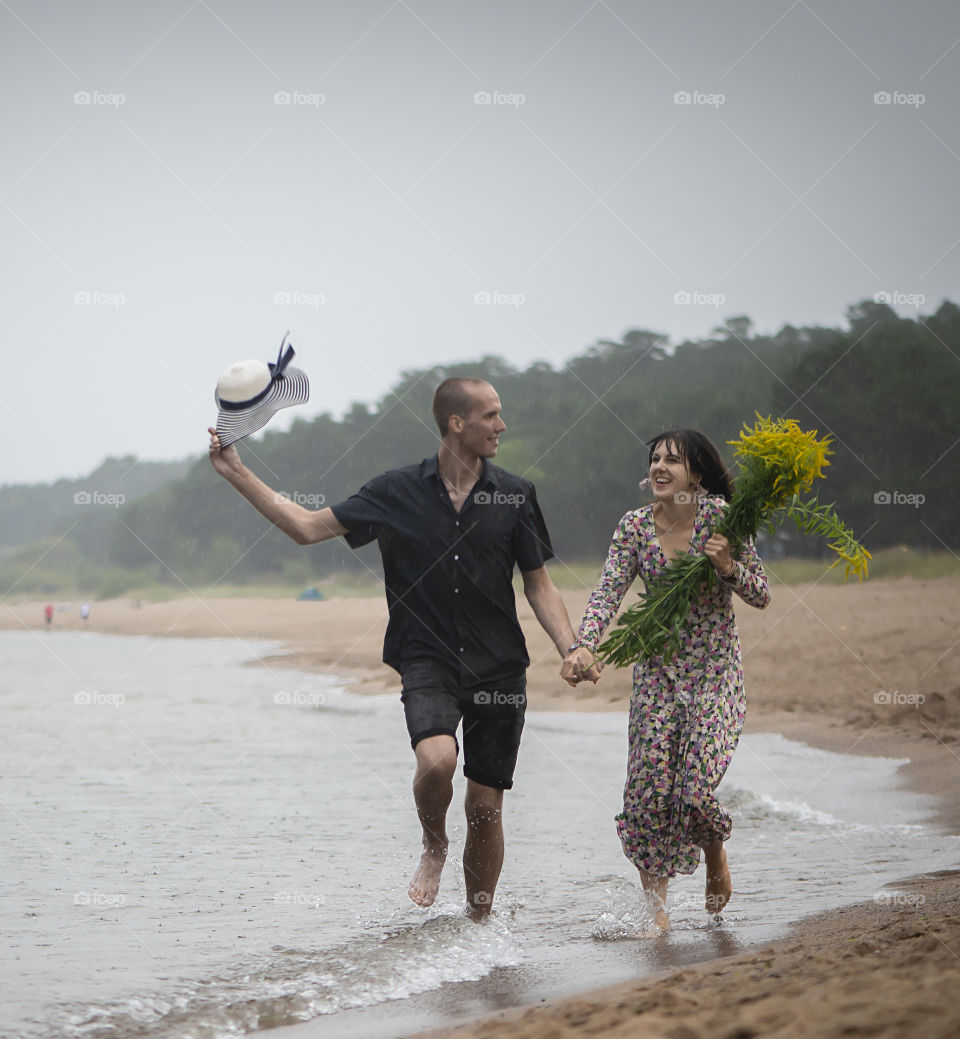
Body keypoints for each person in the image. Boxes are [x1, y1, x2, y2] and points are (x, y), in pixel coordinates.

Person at [208, 378, 592, 917]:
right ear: (456, 423)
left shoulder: (516, 495)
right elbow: (306, 527)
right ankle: (434, 843)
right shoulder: (394, 492)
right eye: (491, 416)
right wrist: (238, 473)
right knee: (437, 762)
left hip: (499, 669)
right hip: (426, 658)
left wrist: (571, 646)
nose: (502, 426)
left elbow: (538, 583)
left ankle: (478, 925)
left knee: (484, 806)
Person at [561, 429, 770, 931]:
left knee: (694, 791)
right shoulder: (634, 527)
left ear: (695, 474)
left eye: (672, 461)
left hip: (715, 675)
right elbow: (608, 592)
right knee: (647, 792)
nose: (659, 467)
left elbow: (761, 593)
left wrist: (727, 566)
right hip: (656, 677)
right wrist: (584, 643)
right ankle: (657, 910)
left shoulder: (723, 519)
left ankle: (715, 851)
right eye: (655, 458)